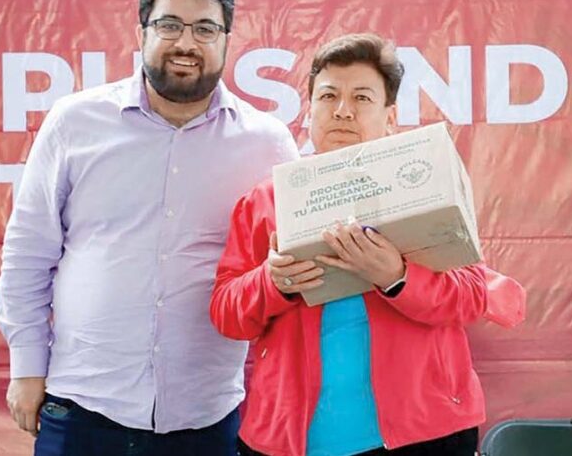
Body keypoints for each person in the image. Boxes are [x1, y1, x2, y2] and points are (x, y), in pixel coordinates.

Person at [0, 0, 300, 455]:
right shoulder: (75, 123)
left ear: (227, 39)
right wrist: (26, 368)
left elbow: (286, 269)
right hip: (83, 406)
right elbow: (29, 253)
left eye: (205, 29)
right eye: (169, 25)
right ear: (141, 33)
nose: (186, 43)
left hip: (206, 414)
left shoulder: (267, 143)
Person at [210, 33, 525, 456]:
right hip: (291, 440)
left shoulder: (424, 189)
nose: (343, 110)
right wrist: (272, 282)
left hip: (424, 435)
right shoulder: (266, 201)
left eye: (361, 97)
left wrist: (397, 278)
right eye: (328, 96)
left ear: (389, 117)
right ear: (309, 110)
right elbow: (226, 314)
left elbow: (470, 297)